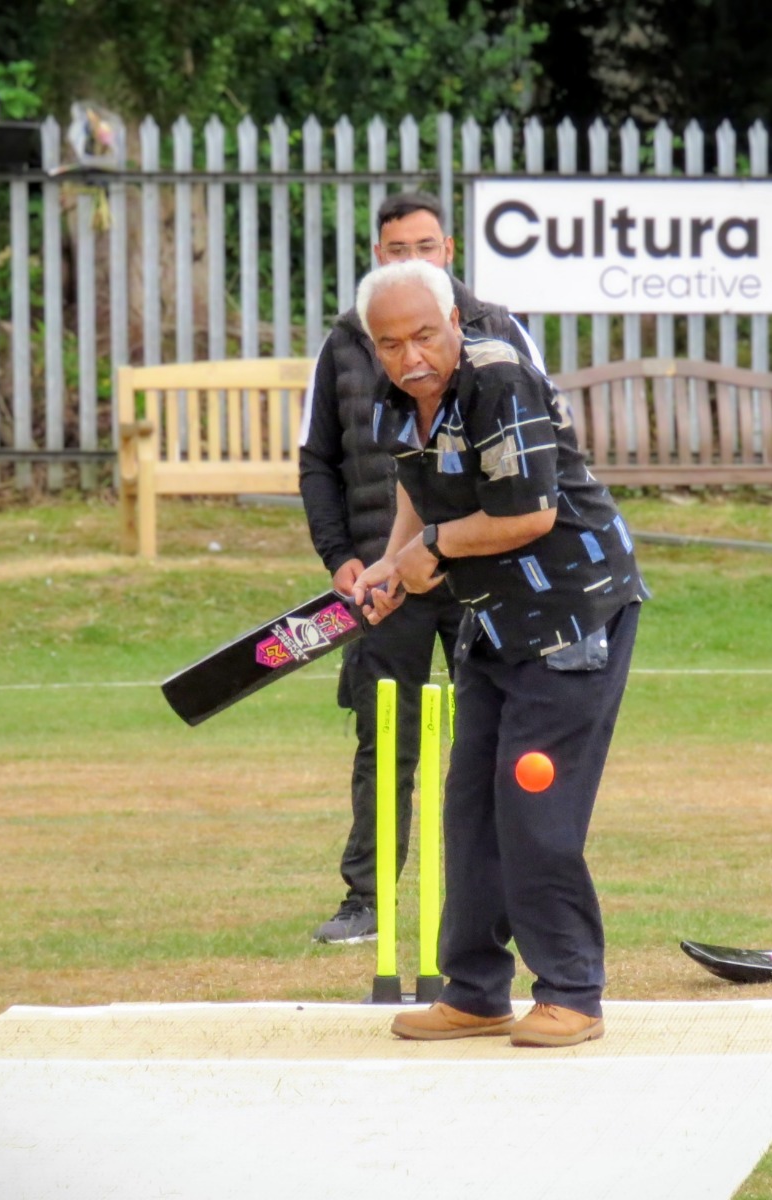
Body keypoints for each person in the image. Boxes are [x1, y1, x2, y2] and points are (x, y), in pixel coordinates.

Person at [350, 259, 648, 1048]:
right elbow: (422, 485)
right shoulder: (394, 397)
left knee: (534, 806)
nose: (410, 357)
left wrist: (433, 552)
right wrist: (392, 563)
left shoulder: (497, 376)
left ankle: (573, 991)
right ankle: (476, 991)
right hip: (490, 619)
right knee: (470, 809)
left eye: (423, 336)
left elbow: (528, 514)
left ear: (453, 320)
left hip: (571, 612)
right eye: (389, 343)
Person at [299, 192, 544, 945]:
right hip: (386, 576)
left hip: (482, 569)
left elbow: (538, 470)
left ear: (450, 251)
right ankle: (366, 900)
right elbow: (319, 461)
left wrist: (448, 546)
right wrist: (345, 558)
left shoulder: (498, 334)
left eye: (425, 246)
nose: (411, 258)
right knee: (385, 736)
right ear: (379, 255)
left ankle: (493, 905)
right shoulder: (351, 339)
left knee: (498, 740)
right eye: (396, 248)